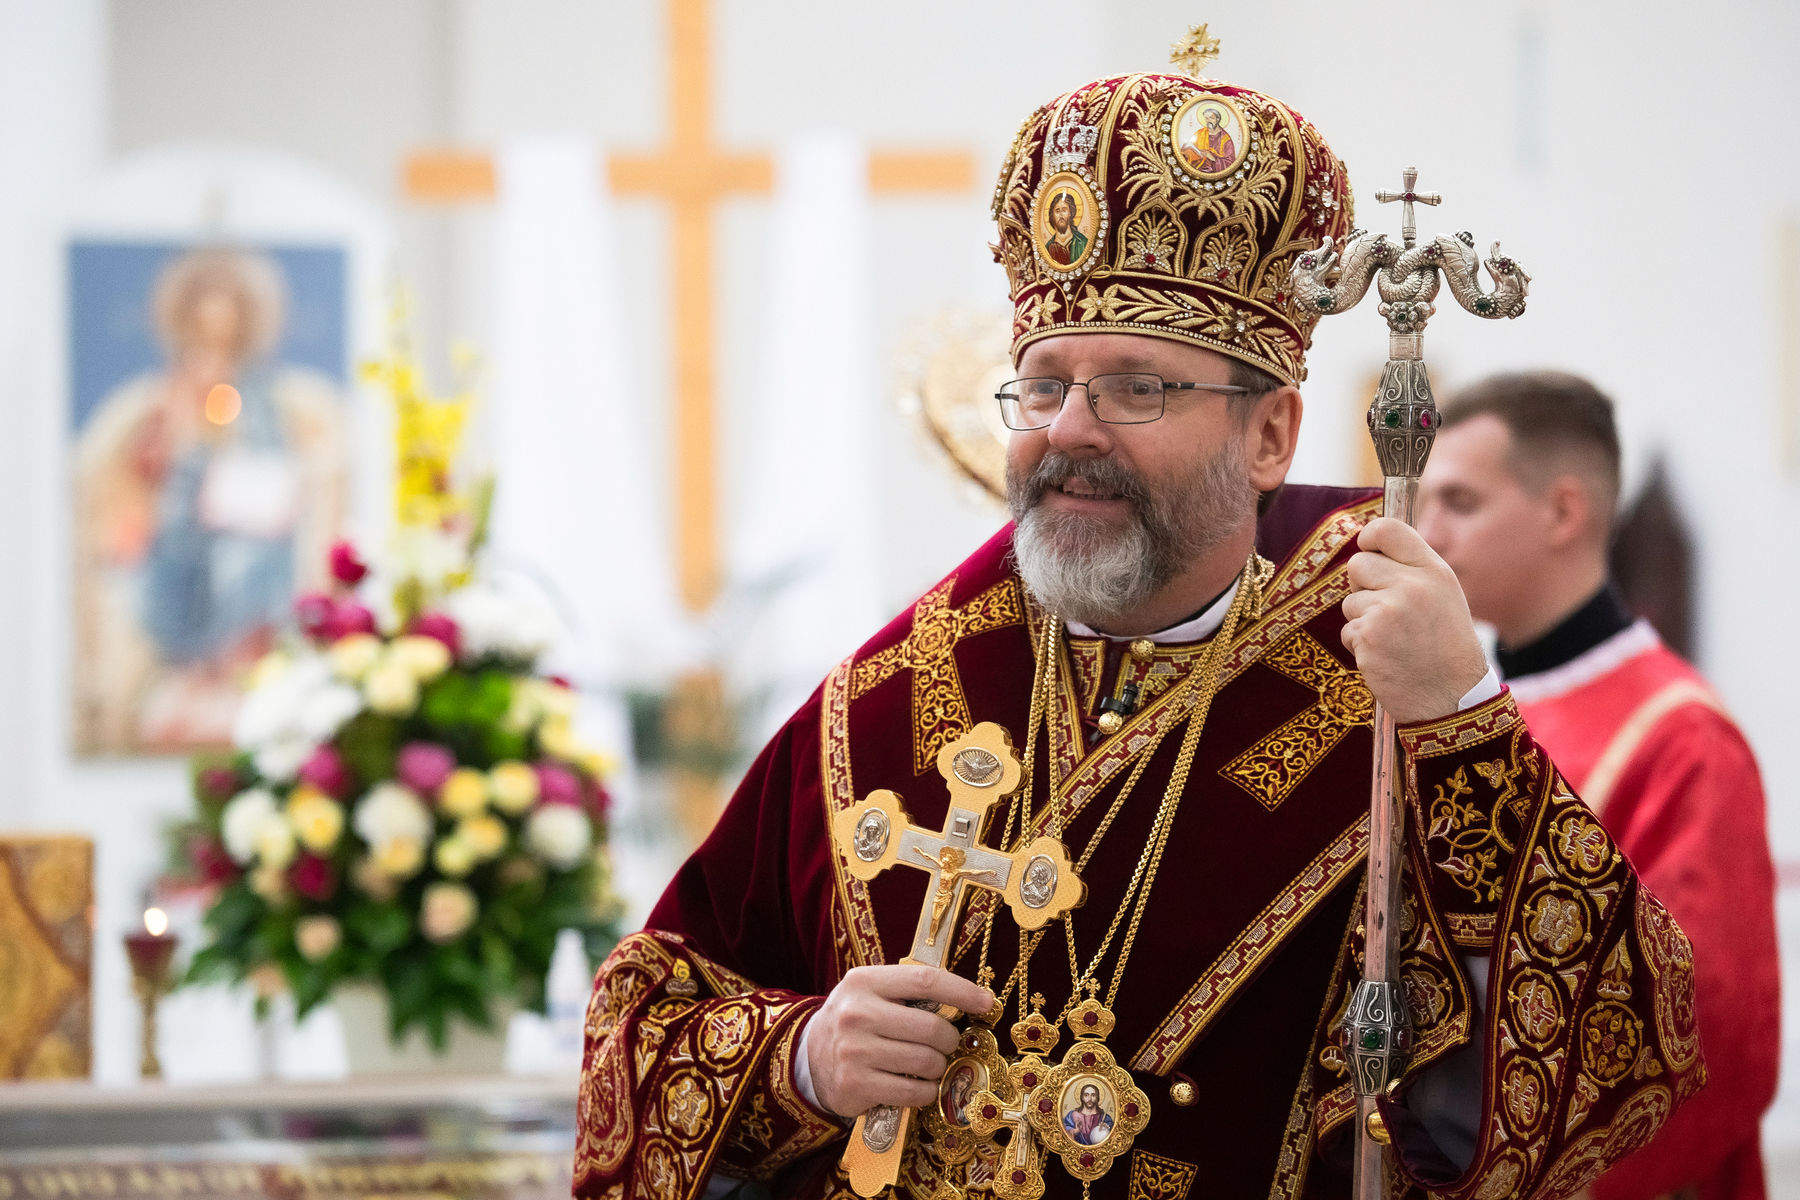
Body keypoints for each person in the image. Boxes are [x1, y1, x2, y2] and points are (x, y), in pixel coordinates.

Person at [574, 68, 1701, 1200]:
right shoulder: (888, 702)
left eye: (1135, 388)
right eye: (1043, 385)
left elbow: (1614, 1050)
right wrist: (805, 1062)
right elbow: (644, 1023)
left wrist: (1462, 725)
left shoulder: (1382, 687)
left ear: (1269, 433)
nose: (1071, 429)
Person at [1418, 371, 1778, 1200]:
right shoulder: (1463, 714)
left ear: (1564, 512)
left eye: (1461, 502)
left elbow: (1711, 1035)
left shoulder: (1682, 737)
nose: (1429, 534)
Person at [1043, 190, 1087, 266]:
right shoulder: (1047, 248)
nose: (1061, 215)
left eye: (1064, 210)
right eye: (1057, 211)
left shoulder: (1082, 243)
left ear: (1070, 213)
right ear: (1052, 215)